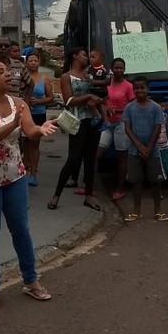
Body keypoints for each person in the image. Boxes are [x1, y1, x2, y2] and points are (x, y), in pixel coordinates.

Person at [0, 60, 59, 310]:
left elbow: (30, 130)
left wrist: (41, 128)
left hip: (15, 177)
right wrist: (13, 124)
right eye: (1, 72)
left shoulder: (19, 104)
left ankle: (31, 280)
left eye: (9, 71)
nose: (9, 76)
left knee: (21, 231)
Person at [48, 47, 103, 212]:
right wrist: (88, 97)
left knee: (90, 158)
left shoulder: (89, 76)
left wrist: (98, 100)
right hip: (77, 121)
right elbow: (69, 101)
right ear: (75, 57)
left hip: (92, 120)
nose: (86, 58)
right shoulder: (66, 76)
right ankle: (57, 194)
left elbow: (99, 93)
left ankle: (89, 196)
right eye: (84, 55)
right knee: (73, 159)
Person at [121, 76, 168, 222]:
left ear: (148, 89)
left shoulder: (155, 107)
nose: (139, 90)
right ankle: (136, 210)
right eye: (136, 88)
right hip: (134, 151)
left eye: (142, 88)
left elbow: (157, 128)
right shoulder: (129, 107)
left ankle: (158, 210)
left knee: (155, 181)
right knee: (136, 181)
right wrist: (140, 146)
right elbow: (127, 128)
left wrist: (148, 147)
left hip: (152, 151)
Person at [93, 58, 136, 201]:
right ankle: (91, 187)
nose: (119, 70)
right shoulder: (106, 84)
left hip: (121, 124)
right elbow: (101, 100)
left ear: (124, 69)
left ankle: (120, 189)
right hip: (107, 123)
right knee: (96, 155)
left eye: (121, 68)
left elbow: (132, 107)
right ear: (111, 69)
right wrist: (105, 108)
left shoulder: (128, 86)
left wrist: (116, 110)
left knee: (121, 158)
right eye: (116, 68)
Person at [24, 51, 53, 186]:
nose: (33, 63)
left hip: (39, 114)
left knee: (34, 144)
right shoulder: (23, 77)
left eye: (36, 61)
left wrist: (39, 102)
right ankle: (23, 168)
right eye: (31, 61)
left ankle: (33, 174)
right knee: (22, 143)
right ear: (26, 62)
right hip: (24, 114)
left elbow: (50, 97)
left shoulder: (44, 79)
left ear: (39, 62)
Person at [0, 36, 32, 101]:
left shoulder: (19, 65)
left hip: (15, 108)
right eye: (0, 46)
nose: (3, 48)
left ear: (9, 48)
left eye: (6, 46)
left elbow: (31, 84)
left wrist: (26, 102)